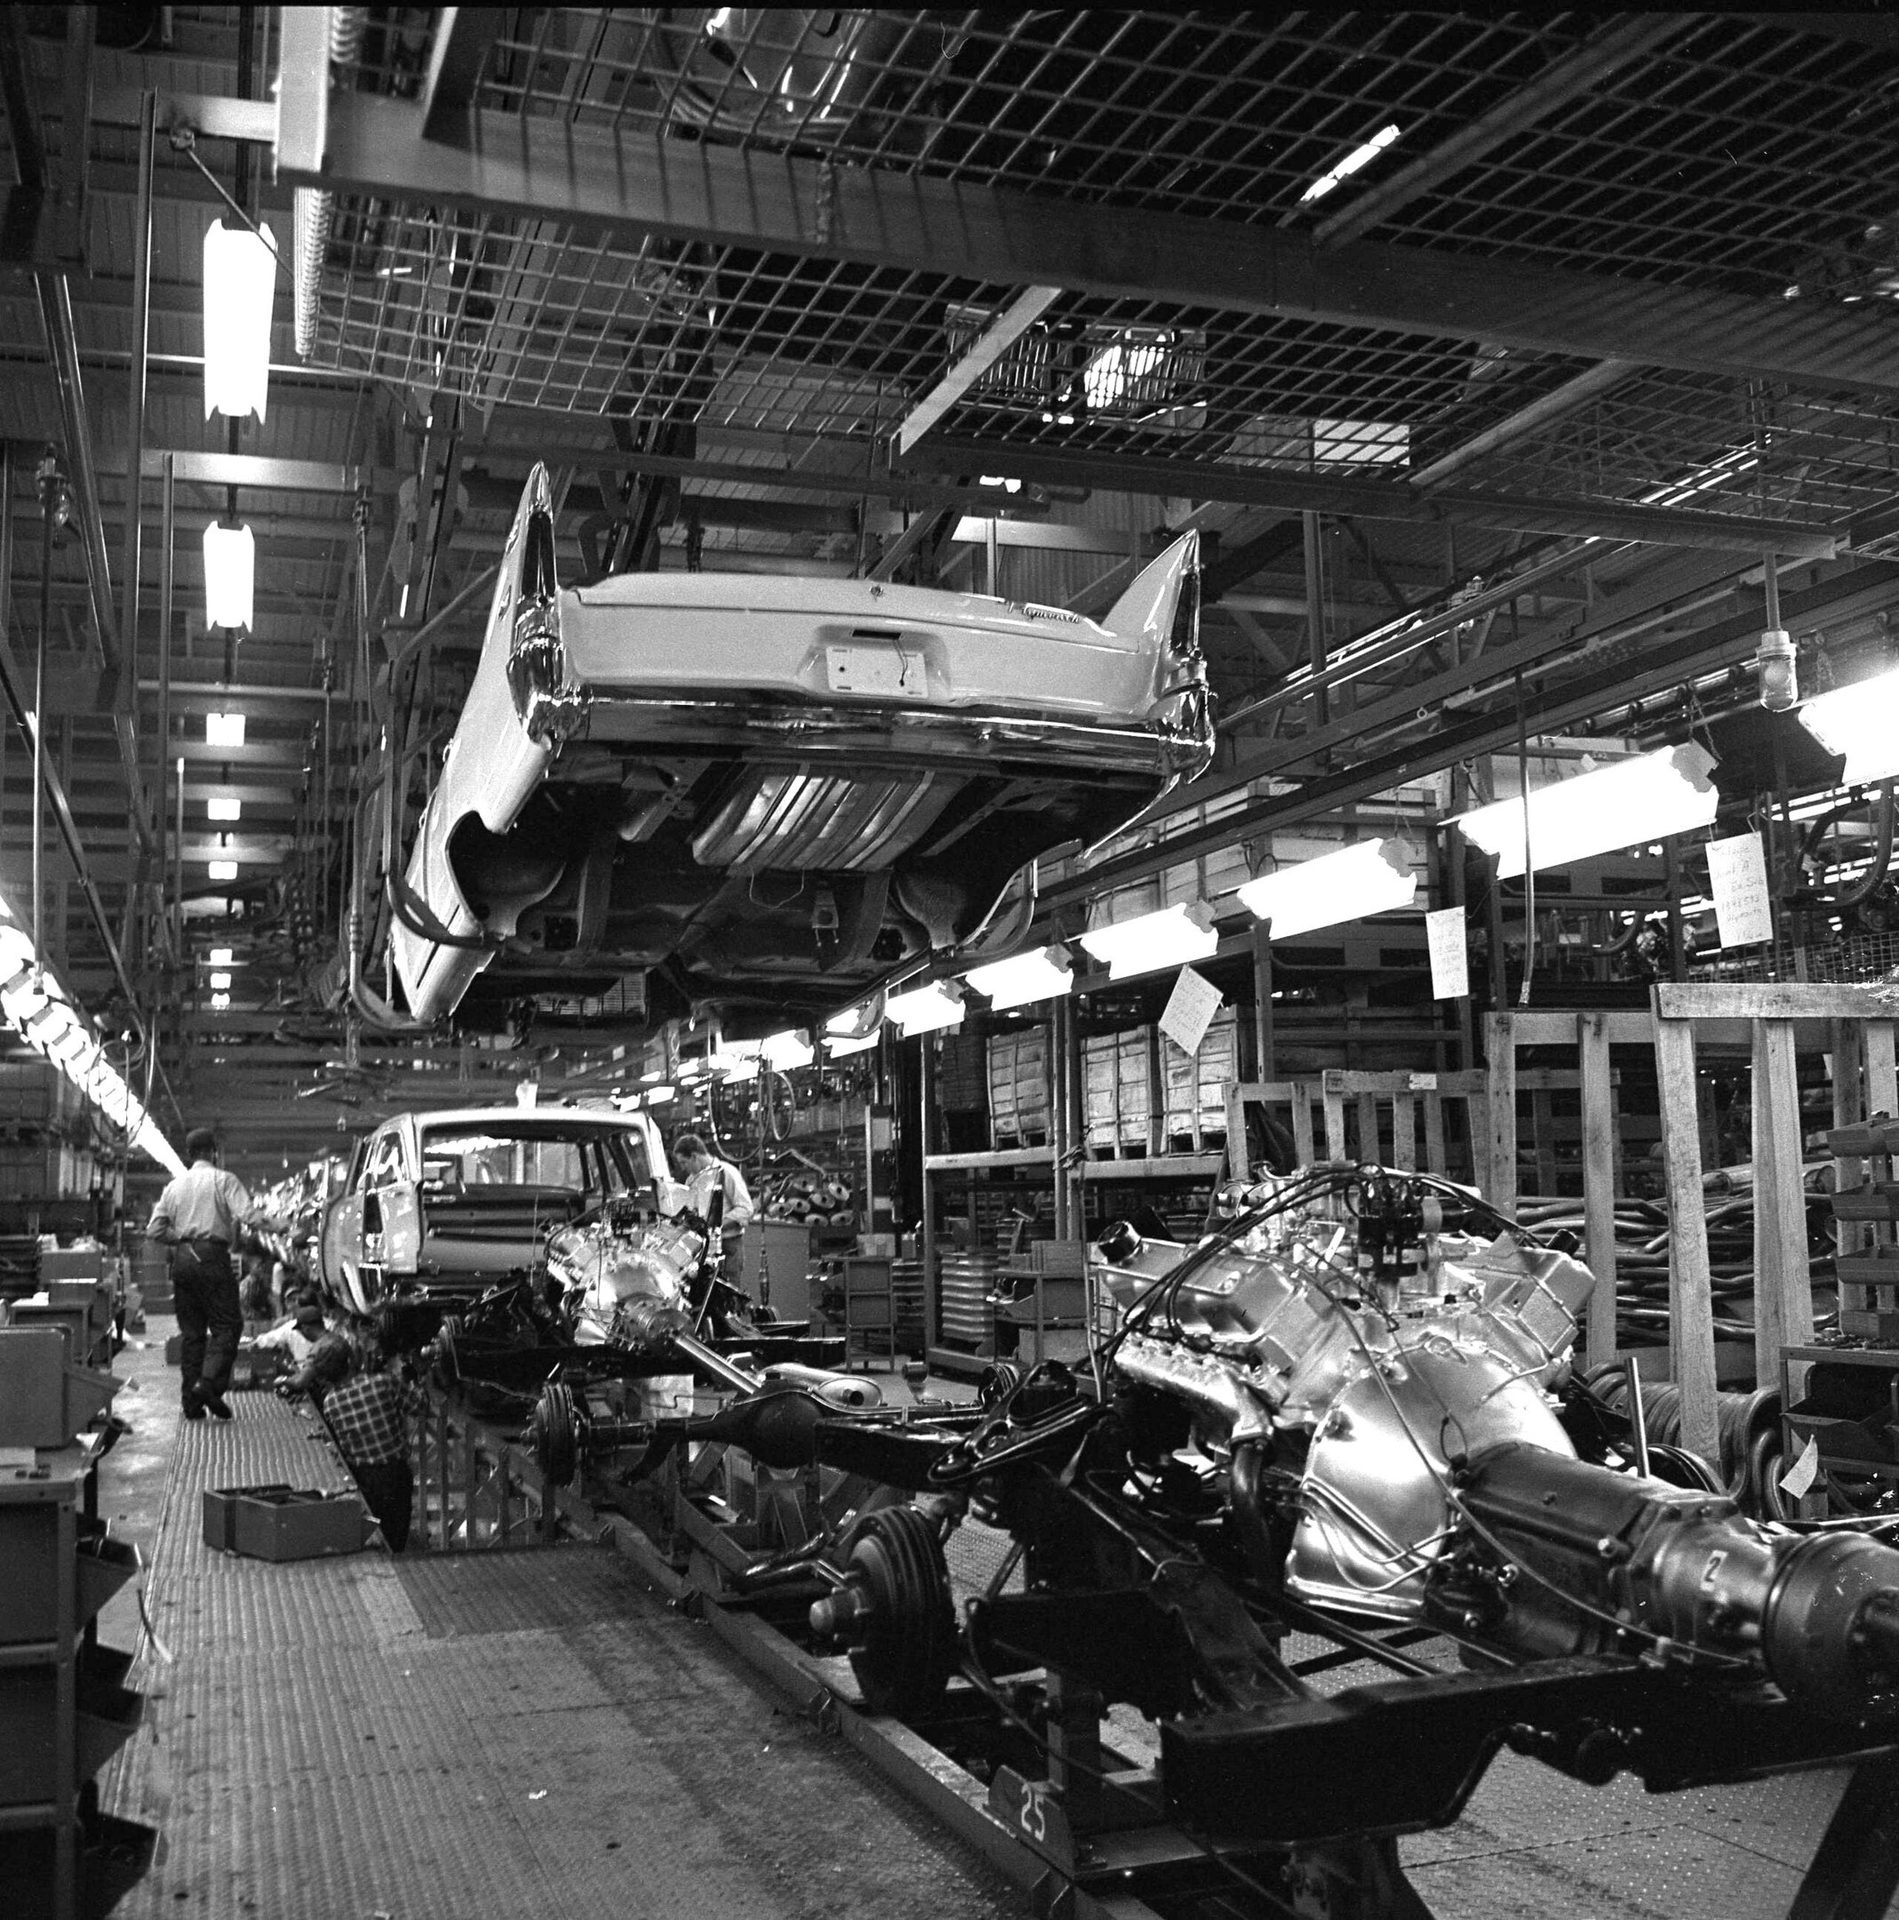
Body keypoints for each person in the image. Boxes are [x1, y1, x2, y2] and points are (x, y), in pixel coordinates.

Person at [147, 1127, 263, 1421]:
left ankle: (192, 1404)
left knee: (192, 1335)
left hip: (183, 1262)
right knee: (228, 1326)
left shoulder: (174, 1187)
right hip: (212, 1259)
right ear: (214, 1151)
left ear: (189, 1155)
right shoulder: (223, 1180)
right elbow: (249, 1216)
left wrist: (183, 1238)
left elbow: (154, 1230)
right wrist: (287, 1227)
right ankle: (208, 1384)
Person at [288, 1334, 416, 1552]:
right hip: (396, 1473)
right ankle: (397, 1555)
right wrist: (410, 1378)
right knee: (397, 1532)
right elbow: (419, 1404)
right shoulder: (383, 1382)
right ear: (351, 1361)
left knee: (378, 1528)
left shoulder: (331, 1403)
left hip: (364, 1477)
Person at [669, 1132, 755, 1290]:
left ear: (695, 1156)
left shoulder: (726, 1173)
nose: (683, 1168)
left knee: (727, 1296)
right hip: (703, 1249)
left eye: (684, 1162)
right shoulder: (692, 1180)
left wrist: (717, 1226)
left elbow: (746, 1209)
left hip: (728, 1247)